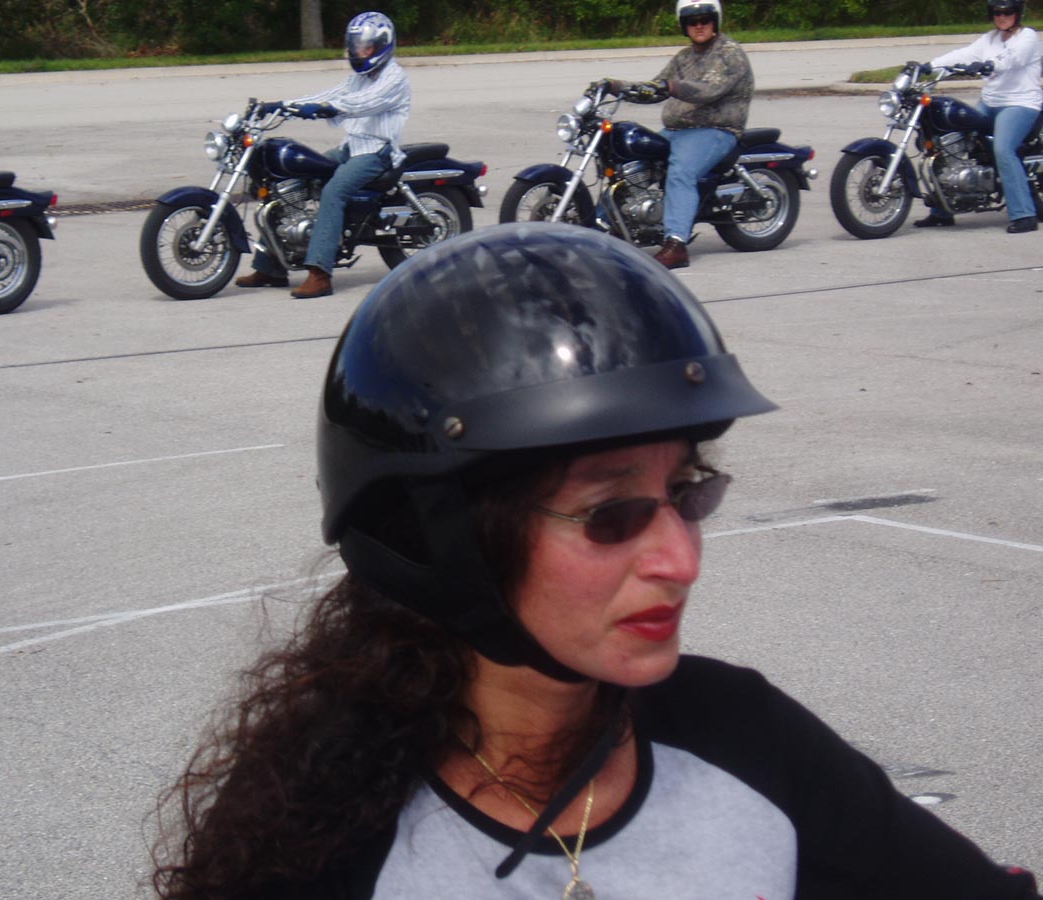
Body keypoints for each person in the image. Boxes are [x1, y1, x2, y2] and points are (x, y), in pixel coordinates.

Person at [151, 222, 1041, 900]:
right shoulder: (320, 836)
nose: (681, 560)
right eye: (612, 516)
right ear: (439, 538)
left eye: (687, 492)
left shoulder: (745, 738)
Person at [233, 11, 410, 300]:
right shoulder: (359, 78)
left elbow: (362, 103)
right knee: (292, 183)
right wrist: (281, 105)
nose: (359, 52)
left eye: (365, 48)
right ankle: (271, 267)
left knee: (333, 192)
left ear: (382, 46)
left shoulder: (395, 78)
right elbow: (331, 94)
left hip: (377, 152)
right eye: (356, 46)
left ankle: (320, 274)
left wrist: (328, 109)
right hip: (350, 147)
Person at [604, 0, 753, 270]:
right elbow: (655, 87)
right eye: (692, 21)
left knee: (681, 171)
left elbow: (708, 89)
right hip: (678, 131)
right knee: (632, 161)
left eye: (705, 20)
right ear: (684, 26)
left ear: (715, 22)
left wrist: (671, 86)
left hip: (717, 130)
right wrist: (616, 86)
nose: (699, 26)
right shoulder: (684, 57)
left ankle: (676, 243)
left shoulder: (729, 53)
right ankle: (611, 227)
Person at [916, 0, 1042, 233]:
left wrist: (989, 65)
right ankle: (942, 211)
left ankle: (1024, 215)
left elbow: (1013, 58)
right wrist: (929, 66)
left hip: (1020, 104)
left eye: (1007, 12)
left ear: (1017, 14)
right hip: (990, 103)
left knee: (1003, 149)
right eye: (997, 12)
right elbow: (964, 54)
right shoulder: (990, 39)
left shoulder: (1028, 37)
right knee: (949, 142)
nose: (1002, 16)